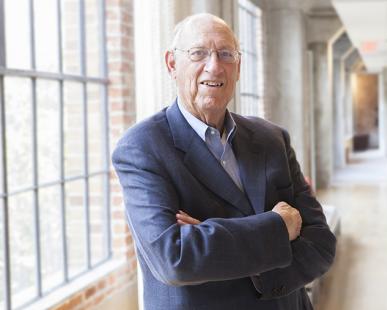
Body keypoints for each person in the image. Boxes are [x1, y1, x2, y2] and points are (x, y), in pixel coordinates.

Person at [112, 13, 336, 310]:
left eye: (226, 54)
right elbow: (175, 259)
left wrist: (210, 240)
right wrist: (279, 228)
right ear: (172, 64)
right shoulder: (142, 147)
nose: (214, 66)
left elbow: (321, 244)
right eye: (198, 53)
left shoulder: (272, 138)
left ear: (239, 66)